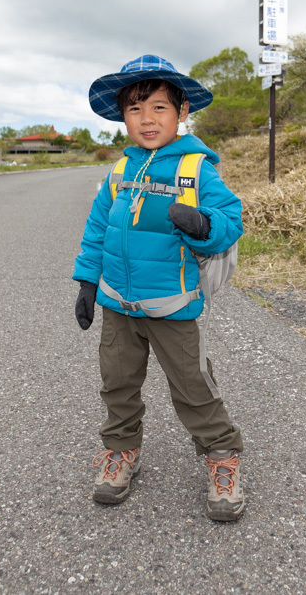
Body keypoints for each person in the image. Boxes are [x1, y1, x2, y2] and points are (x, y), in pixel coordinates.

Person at [71, 54, 247, 522]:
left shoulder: (196, 169)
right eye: (134, 109)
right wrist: (87, 283)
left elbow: (231, 222)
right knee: (118, 383)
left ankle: (222, 458)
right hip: (118, 304)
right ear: (122, 117)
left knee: (193, 386)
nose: (146, 119)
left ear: (182, 111)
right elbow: (96, 231)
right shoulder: (117, 174)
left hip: (174, 305)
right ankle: (121, 451)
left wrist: (202, 224)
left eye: (159, 108)